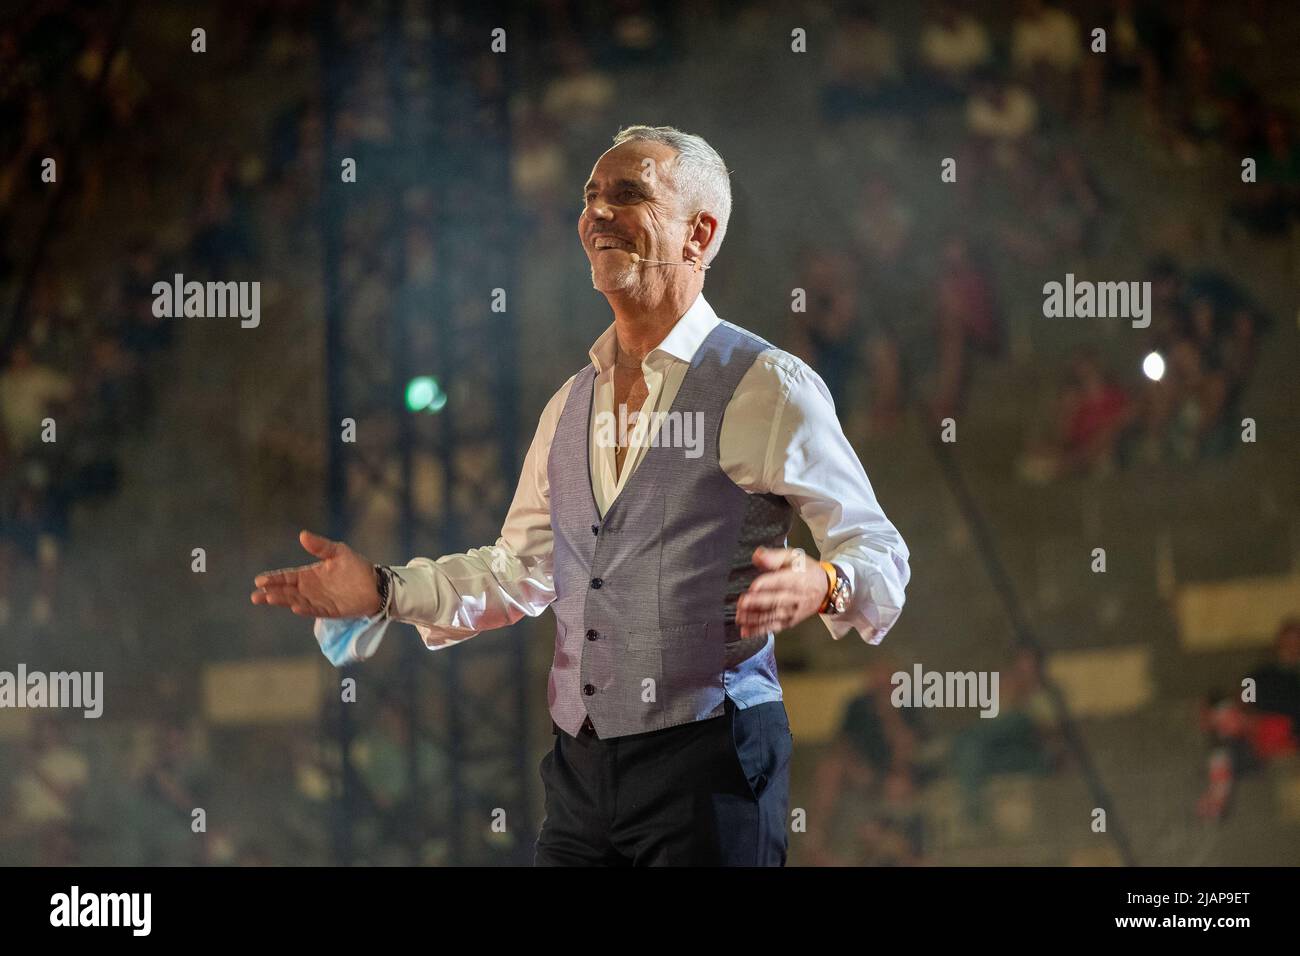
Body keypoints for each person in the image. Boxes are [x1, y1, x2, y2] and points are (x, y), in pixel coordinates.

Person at [251, 125, 910, 866]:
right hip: (580, 772)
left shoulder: (766, 385)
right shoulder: (570, 405)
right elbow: (522, 570)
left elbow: (878, 551)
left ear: (701, 233)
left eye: (629, 195)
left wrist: (824, 582)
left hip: (710, 760)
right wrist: (381, 590)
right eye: (591, 197)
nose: (598, 213)